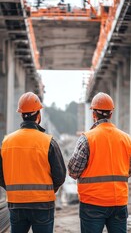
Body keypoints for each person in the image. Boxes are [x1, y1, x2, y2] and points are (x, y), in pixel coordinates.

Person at [68, 92, 131, 233]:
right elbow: (129, 170)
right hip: (119, 202)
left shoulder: (87, 139)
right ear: (111, 114)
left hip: (92, 202)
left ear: (93, 114)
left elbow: (73, 171)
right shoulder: (127, 139)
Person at [0, 91, 66, 233]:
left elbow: (1, 174)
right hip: (42, 204)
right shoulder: (48, 141)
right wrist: (48, 191)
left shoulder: (6, 142)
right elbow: (60, 175)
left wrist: (13, 189)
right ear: (38, 115)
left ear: (21, 114)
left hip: (16, 204)